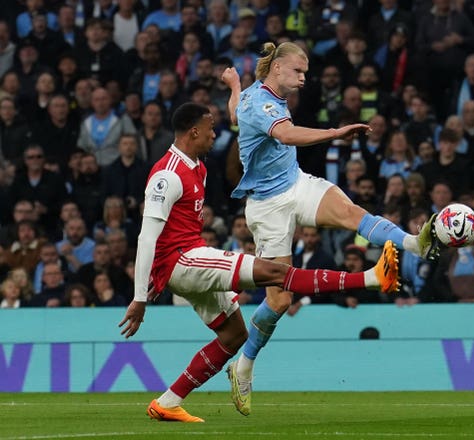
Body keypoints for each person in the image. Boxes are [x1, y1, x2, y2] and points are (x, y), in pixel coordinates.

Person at [117, 102, 401, 423]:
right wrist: (140, 297)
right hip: (182, 262)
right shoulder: (168, 175)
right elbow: (146, 238)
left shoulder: (198, 167)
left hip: (190, 257)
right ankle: (372, 277)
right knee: (276, 273)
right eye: (210, 129)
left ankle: (168, 402)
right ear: (193, 131)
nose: (215, 135)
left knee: (234, 335)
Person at [220, 41, 438, 416]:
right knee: (280, 301)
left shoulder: (255, 97)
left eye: (306, 72)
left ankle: (414, 244)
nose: (304, 79)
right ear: (276, 70)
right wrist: (335, 132)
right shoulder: (263, 104)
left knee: (351, 212)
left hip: (295, 184)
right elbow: (286, 135)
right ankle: (244, 365)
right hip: (267, 207)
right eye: (298, 72)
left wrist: (234, 87)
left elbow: (235, 115)